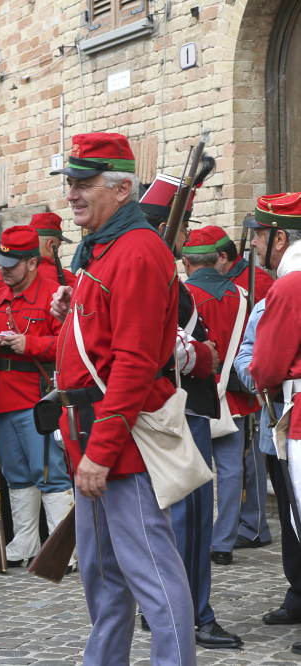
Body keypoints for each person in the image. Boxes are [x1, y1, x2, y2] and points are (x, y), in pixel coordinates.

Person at [48, 132, 195, 665]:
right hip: (91, 436)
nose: (72, 194)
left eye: (83, 184)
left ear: (122, 188)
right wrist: (73, 307)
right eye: (70, 183)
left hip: (120, 444)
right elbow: (105, 342)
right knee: (105, 582)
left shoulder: (134, 251)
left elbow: (133, 364)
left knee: (153, 579)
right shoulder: (104, 249)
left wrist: (102, 452)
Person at [139, 175, 241, 648]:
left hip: (159, 407)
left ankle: (161, 605)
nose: (183, 242)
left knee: (167, 517)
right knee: (191, 518)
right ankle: (194, 613)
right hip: (186, 408)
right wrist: (205, 355)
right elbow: (173, 349)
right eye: (180, 229)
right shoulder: (159, 279)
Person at [0, 226, 72, 570]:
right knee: (16, 474)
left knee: (50, 473)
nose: (3, 270)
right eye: (0, 263)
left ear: (31, 263)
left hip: (36, 396)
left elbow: (69, 346)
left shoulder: (54, 293)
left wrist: (31, 345)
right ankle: (26, 541)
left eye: (11, 264)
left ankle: (62, 547)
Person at [180, 227, 260, 566]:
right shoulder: (243, 297)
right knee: (231, 471)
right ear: (220, 259)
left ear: (186, 261)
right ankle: (223, 542)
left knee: (189, 472)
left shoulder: (181, 295)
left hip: (192, 398)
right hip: (234, 400)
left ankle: (190, 537)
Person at [246, 192, 301, 656]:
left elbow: (263, 367)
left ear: (279, 238)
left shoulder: (286, 288)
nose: (256, 245)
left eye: (261, 235)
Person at [206, 224, 275, 551]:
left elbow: (262, 333)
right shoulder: (236, 281)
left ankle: (255, 525)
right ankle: (245, 524)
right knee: (241, 463)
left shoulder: (255, 282)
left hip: (248, 380)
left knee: (251, 460)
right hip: (233, 382)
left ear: (222, 258)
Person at [234, 294, 295, 627]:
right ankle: (298, 594)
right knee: (290, 522)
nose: (256, 242)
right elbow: (246, 355)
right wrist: (262, 379)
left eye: (260, 235)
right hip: (280, 429)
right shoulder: (268, 304)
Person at [28, 212, 77, 287]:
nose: (57, 252)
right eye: (58, 247)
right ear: (50, 245)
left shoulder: (10, 273)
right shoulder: (66, 278)